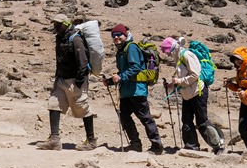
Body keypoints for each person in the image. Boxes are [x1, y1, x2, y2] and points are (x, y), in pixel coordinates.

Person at [37, 14, 97, 151]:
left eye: (58, 24)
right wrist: (57, 77)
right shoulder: (59, 38)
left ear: (66, 24)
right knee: (53, 104)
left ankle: (91, 140)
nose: (55, 26)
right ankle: (54, 140)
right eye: (54, 24)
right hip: (61, 79)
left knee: (82, 108)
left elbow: (83, 63)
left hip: (75, 80)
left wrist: (79, 82)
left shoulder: (75, 39)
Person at [105, 24, 164, 154]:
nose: (116, 37)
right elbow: (123, 71)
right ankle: (135, 144)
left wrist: (120, 77)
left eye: (119, 34)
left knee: (145, 117)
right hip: (127, 91)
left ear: (125, 35)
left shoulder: (131, 47)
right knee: (124, 116)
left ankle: (157, 146)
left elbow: (135, 67)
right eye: (114, 36)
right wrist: (110, 81)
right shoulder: (121, 50)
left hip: (137, 90)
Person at [161, 37, 223, 154]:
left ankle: (218, 145)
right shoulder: (178, 57)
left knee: (202, 121)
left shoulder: (186, 55)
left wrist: (180, 81)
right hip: (187, 94)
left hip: (198, 92)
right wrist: (171, 85)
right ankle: (191, 146)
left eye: (166, 51)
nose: (167, 54)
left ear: (171, 49)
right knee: (186, 120)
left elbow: (195, 74)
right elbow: (183, 78)